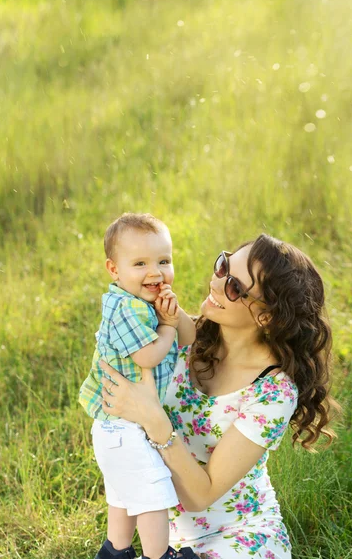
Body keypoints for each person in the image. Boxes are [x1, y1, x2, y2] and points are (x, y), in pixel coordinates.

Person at [98, 234, 339, 558]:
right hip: (160, 532)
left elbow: (202, 495)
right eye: (223, 266)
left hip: (236, 537)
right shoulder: (181, 336)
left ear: (265, 316)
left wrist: (154, 420)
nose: (216, 281)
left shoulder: (273, 391)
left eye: (234, 287)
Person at [78, 213, 197, 559]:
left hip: (120, 428)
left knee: (123, 499)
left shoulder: (143, 303)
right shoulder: (126, 309)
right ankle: (159, 556)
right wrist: (168, 328)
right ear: (114, 270)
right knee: (151, 495)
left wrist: (173, 316)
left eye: (164, 261)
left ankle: (115, 552)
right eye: (140, 263)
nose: (155, 272)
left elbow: (190, 337)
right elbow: (149, 357)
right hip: (126, 427)